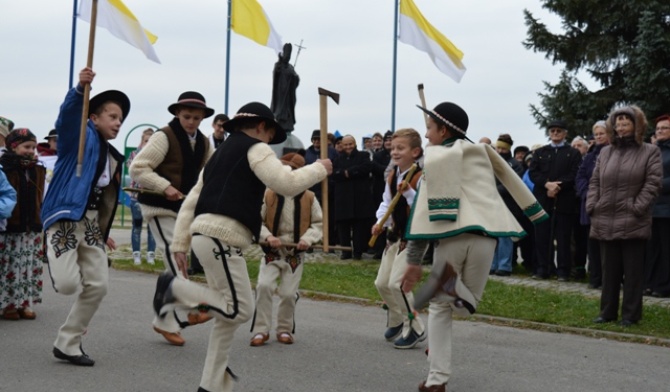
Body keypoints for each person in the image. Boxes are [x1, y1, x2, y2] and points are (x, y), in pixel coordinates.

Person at [152, 101, 331, 392]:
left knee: (226, 317)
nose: (269, 142)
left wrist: (181, 243)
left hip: (205, 235)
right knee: (240, 309)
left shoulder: (218, 154)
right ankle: (175, 290)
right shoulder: (256, 148)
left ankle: (211, 383)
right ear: (262, 126)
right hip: (222, 236)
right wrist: (319, 168)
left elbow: (192, 200)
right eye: (270, 134)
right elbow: (286, 183)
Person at [401, 102, 548, 392]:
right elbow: (512, 177)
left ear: (443, 130)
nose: (426, 135)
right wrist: (535, 213)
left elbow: (422, 209)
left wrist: (414, 259)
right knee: (463, 307)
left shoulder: (436, 157)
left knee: (442, 305)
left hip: (451, 235)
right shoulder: (483, 151)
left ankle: (438, 378)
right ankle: (436, 380)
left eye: (429, 128)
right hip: (486, 236)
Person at [42, 67, 127, 366]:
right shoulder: (78, 137)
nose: (118, 123)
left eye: (120, 119)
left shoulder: (111, 154)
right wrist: (80, 90)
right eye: (112, 117)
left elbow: (102, 196)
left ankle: (68, 342)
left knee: (99, 284)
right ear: (93, 118)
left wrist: (104, 231)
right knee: (66, 284)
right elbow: (69, 116)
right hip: (65, 218)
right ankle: (50, 248)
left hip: (90, 224)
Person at [130, 91, 214, 346]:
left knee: (172, 268)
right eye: (187, 116)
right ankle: (194, 307)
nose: (191, 122)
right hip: (159, 208)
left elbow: (208, 174)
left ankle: (163, 323)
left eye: (197, 118)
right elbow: (138, 168)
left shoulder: (205, 143)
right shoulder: (162, 137)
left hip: (184, 211)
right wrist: (164, 186)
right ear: (177, 113)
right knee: (176, 259)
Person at [587, 105, 662, 327]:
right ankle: (607, 312)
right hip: (605, 217)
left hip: (633, 219)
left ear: (637, 125)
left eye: (625, 123)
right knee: (609, 271)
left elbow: (653, 183)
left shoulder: (650, 151)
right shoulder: (605, 152)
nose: (621, 127)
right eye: (617, 124)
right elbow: (595, 182)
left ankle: (630, 315)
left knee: (633, 272)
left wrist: (637, 207)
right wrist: (593, 204)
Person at [249, 152, 323, 347]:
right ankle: (260, 330)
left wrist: (308, 239)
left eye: (293, 173)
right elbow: (256, 221)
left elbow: (318, 224)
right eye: (284, 172)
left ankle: (284, 329)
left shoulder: (310, 197)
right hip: (272, 251)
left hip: (294, 253)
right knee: (264, 286)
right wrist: (268, 237)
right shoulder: (268, 194)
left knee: (289, 293)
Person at [371, 128, 426, 349]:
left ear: (415, 152)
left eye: (400, 148)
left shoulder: (422, 176)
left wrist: (409, 193)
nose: (394, 152)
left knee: (398, 285)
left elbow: (422, 209)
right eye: (393, 148)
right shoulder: (393, 174)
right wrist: (379, 222)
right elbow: (386, 202)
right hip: (395, 236)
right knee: (382, 283)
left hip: (414, 236)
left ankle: (414, 327)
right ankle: (396, 318)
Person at [0, 128, 45, 321]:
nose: (31, 151)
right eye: (26, 146)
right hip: (11, 227)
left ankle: (25, 303)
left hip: (32, 226)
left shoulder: (38, 169)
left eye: (34, 148)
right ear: (13, 146)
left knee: (29, 267)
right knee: (10, 266)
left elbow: (43, 196)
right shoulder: (6, 167)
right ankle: (8, 304)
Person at [529, 120, 582, 281]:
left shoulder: (573, 153)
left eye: (559, 131)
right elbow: (533, 173)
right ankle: (543, 269)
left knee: (563, 237)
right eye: (552, 131)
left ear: (565, 133)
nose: (556, 133)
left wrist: (558, 186)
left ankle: (563, 271)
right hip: (544, 200)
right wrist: (547, 184)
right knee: (542, 237)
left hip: (564, 200)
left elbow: (574, 173)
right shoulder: (540, 152)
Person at [575, 121, 609, 289]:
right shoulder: (589, 156)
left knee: (607, 246)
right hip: (590, 205)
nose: (598, 136)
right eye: (596, 134)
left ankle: (608, 279)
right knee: (592, 244)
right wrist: (586, 193)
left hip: (608, 205)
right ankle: (595, 278)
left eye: (602, 133)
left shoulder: (615, 153)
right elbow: (580, 177)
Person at [332, 135, 374, 259]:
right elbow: (334, 173)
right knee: (343, 227)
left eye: (350, 144)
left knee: (359, 227)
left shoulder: (363, 156)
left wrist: (347, 172)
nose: (348, 146)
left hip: (360, 198)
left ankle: (357, 252)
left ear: (355, 144)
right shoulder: (337, 159)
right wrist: (348, 172)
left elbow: (365, 168)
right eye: (346, 144)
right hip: (343, 198)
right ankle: (346, 251)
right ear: (342, 145)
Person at [490, 133, 525, 277]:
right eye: (497, 147)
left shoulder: (515, 165)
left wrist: (495, 190)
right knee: (492, 236)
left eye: (502, 148)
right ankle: (492, 264)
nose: (499, 151)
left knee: (505, 236)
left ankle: (504, 265)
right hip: (492, 203)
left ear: (508, 148)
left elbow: (512, 183)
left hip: (508, 204)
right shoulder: (491, 162)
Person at [644, 114, 670, 298]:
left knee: (666, 249)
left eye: (664, 128)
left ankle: (664, 285)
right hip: (649, 208)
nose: (660, 131)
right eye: (658, 128)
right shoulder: (652, 150)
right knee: (651, 249)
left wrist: (655, 185)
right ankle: (649, 283)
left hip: (667, 208)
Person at [127, 128, 157, 265]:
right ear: (142, 141)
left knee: (152, 226)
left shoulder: (157, 157)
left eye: (151, 141)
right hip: (136, 195)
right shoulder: (134, 154)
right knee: (137, 225)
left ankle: (151, 254)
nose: (148, 143)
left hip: (151, 195)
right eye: (146, 141)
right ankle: (136, 255)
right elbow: (132, 171)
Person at [271, 43, 300, 132]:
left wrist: (294, 77)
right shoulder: (278, 65)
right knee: (280, 111)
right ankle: (280, 121)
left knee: (289, 111)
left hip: (289, 95)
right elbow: (276, 74)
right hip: (280, 94)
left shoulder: (290, 67)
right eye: (286, 54)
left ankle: (288, 124)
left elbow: (296, 79)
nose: (287, 56)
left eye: (289, 55)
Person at [37, 129, 59, 198]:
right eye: (55, 141)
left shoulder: (66, 159)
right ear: (49, 141)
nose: (58, 143)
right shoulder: (39, 157)